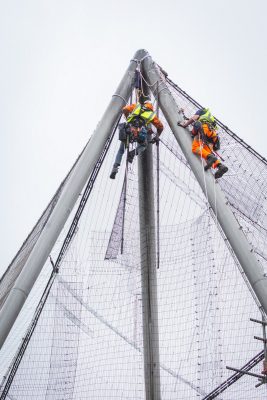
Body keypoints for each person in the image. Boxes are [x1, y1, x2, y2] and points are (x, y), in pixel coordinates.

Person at [110, 97, 163, 179]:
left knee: (121, 150)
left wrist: (128, 118)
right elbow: (161, 127)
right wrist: (157, 137)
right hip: (139, 133)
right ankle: (132, 153)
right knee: (143, 145)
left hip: (128, 130)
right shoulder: (152, 115)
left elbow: (125, 109)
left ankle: (115, 168)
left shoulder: (137, 106)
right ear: (151, 106)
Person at [178, 108, 228, 179]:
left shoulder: (201, 111)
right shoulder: (210, 117)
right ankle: (220, 166)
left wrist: (185, 125)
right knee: (207, 153)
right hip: (212, 134)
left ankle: (210, 157)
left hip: (205, 128)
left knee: (195, 148)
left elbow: (194, 118)